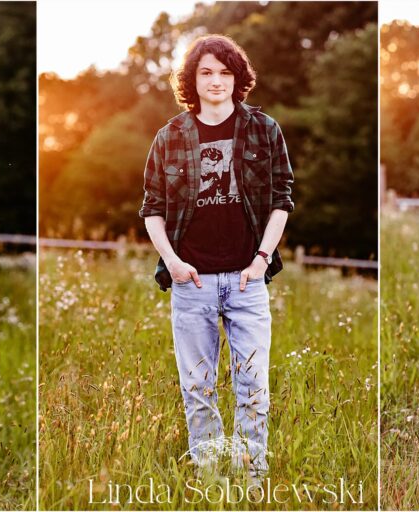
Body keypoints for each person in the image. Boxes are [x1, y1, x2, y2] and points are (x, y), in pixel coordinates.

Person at [138, 34, 294, 481]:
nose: (216, 81)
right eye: (206, 72)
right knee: (198, 388)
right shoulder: (170, 136)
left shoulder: (264, 130)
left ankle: (251, 477)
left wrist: (262, 259)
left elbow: (282, 199)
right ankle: (210, 478)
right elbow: (152, 209)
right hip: (192, 281)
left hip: (248, 279)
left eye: (225, 72)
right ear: (192, 79)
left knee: (253, 388)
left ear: (238, 78)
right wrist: (172, 262)